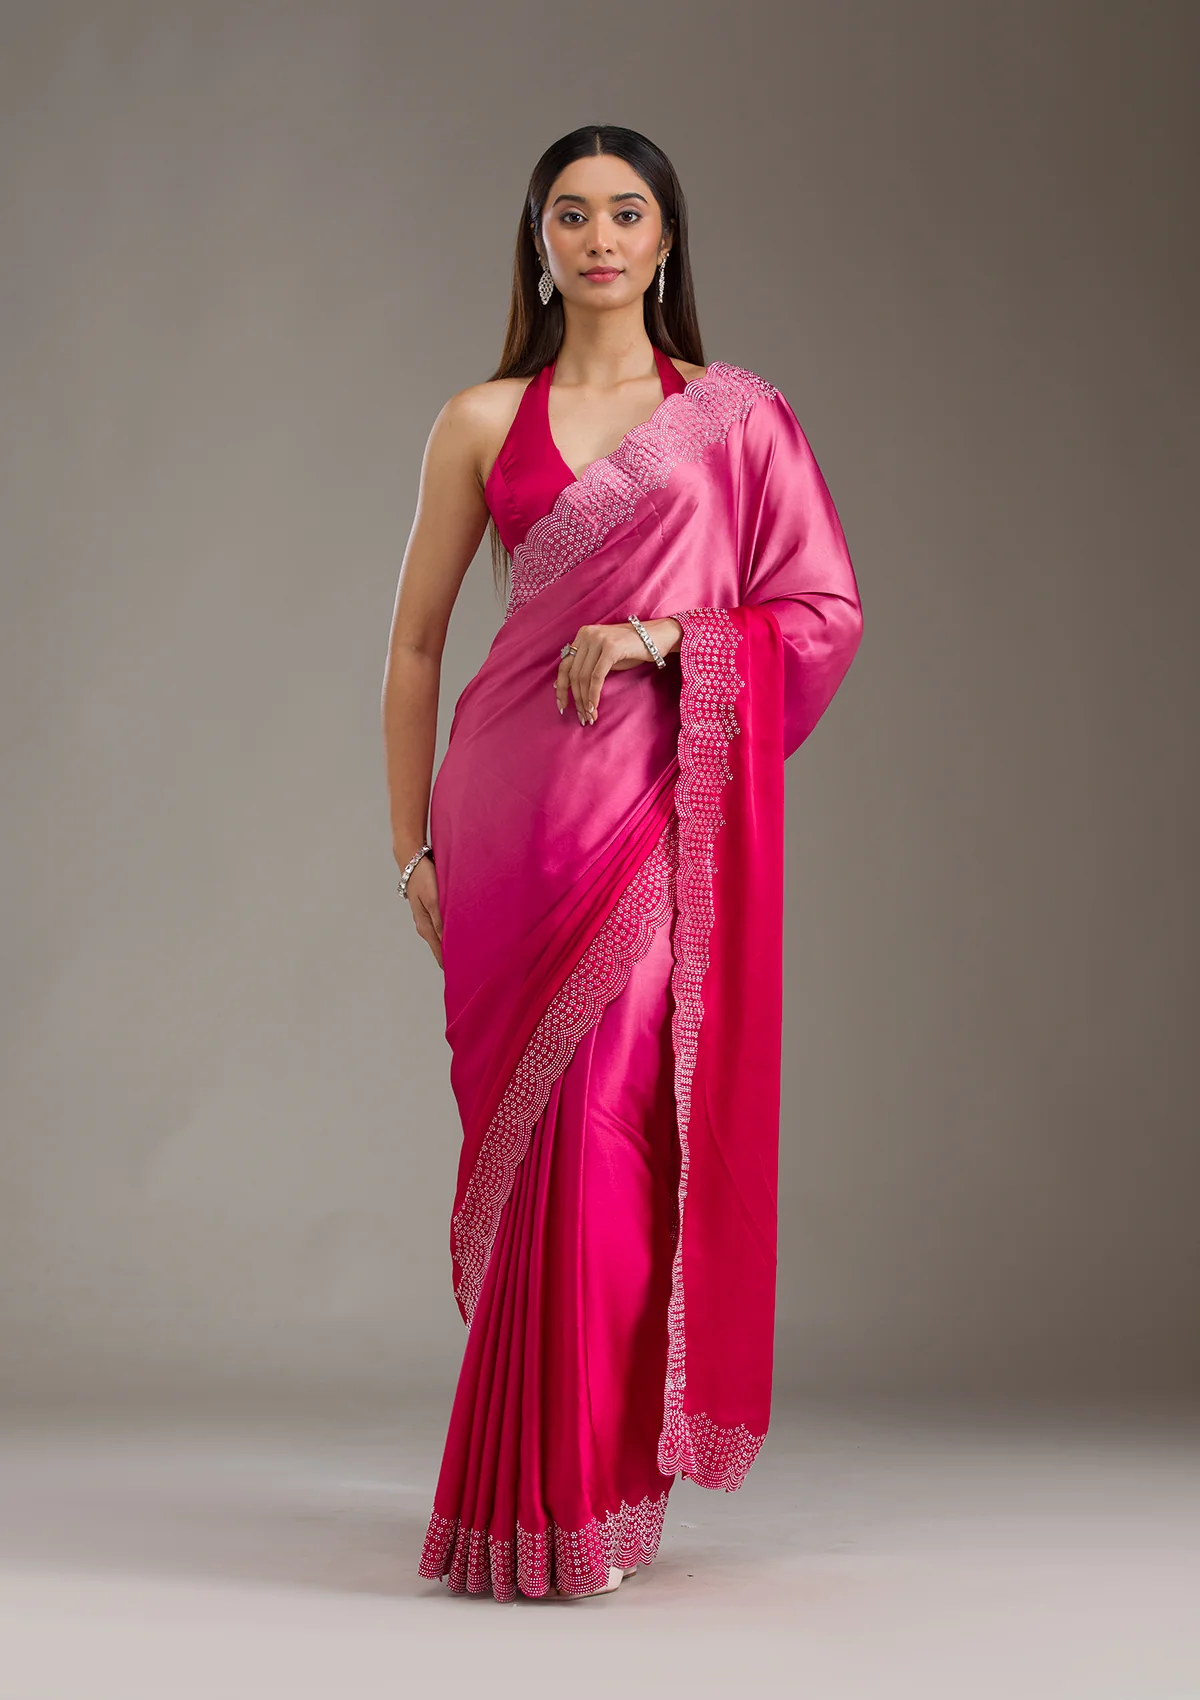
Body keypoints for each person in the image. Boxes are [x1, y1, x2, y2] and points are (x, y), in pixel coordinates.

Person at [381, 124, 864, 1602]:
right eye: (573, 213)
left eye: (628, 212)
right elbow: (416, 648)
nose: (600, 237)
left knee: (608, 1133)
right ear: (540, 241)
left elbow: (822, 613)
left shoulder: (737, 418)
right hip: (503, 819)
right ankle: (519, 1502)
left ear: (666, 240)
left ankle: (574, 1492)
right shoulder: (480, 418)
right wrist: (408, 847)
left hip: (653, 823)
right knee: (535, 1144)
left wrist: (665, 635)